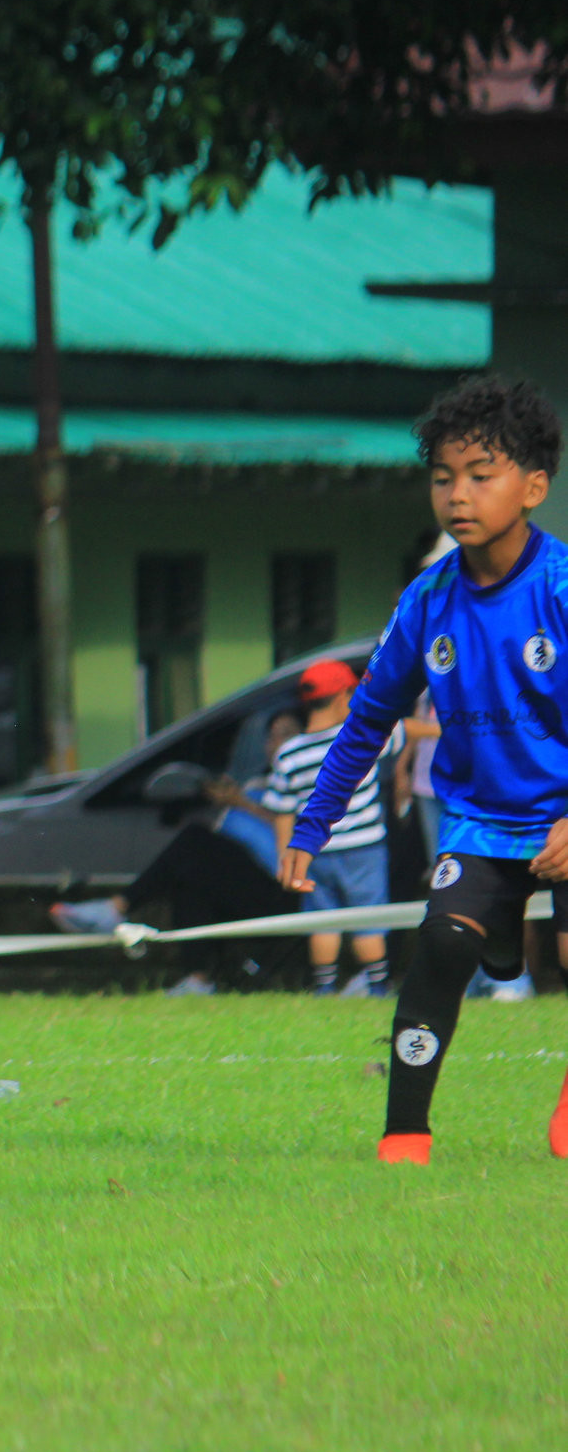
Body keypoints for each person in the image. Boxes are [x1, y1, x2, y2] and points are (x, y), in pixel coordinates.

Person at [280, 375, 568, 1164]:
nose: (457, 494)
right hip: (478, 820)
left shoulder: (560, 589)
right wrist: (314, 821)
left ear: (533, 486)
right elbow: (365, 720)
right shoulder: (426, 600)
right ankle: (404, 1132)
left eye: (481, 474)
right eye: (442, 477)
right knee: (441, 943)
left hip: (565, 814)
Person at [49, 710, 304, 994]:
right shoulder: (257, 786)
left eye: (286, 734)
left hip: (288, 889)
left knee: (193, 841)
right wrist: (228, 800)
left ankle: (116, 908)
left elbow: (301, 828)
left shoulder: (313, 783)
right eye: (271, 737)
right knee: (191, 870)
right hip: (247, 878)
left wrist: (243, 803)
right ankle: (197, 979)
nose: (276, 744)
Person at [264, 660, 400, 996]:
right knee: (368, 921)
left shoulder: (289, 753)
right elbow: (404, 732)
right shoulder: (358, 738)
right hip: (364, 848)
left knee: (322, 921)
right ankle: (377, 986)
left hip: (316, 851)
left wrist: (286, 857)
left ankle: (324, 989)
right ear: (344, 696)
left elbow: (281, 811)